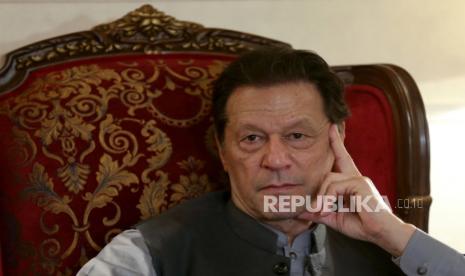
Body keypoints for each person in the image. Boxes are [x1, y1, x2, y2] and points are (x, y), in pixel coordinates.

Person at [78, 47, 464, 276]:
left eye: (297, 136)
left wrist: (396, 235)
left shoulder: (392, 248)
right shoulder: (149, 252)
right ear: (223, 149)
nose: (276, 160)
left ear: (337, 138)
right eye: (252, 138)